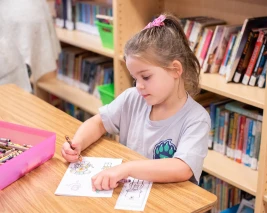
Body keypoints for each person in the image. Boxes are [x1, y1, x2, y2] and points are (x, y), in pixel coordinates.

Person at [61, 14, 211, 191]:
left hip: (169, 200)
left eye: (146, 77)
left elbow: (182, 168)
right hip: (130, 194)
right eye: (135, 78)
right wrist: (78, 143)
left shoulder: (197, 118)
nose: (139, 86)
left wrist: (127, 169)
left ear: (175, 70)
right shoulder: (133, 98)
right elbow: (98, 122)